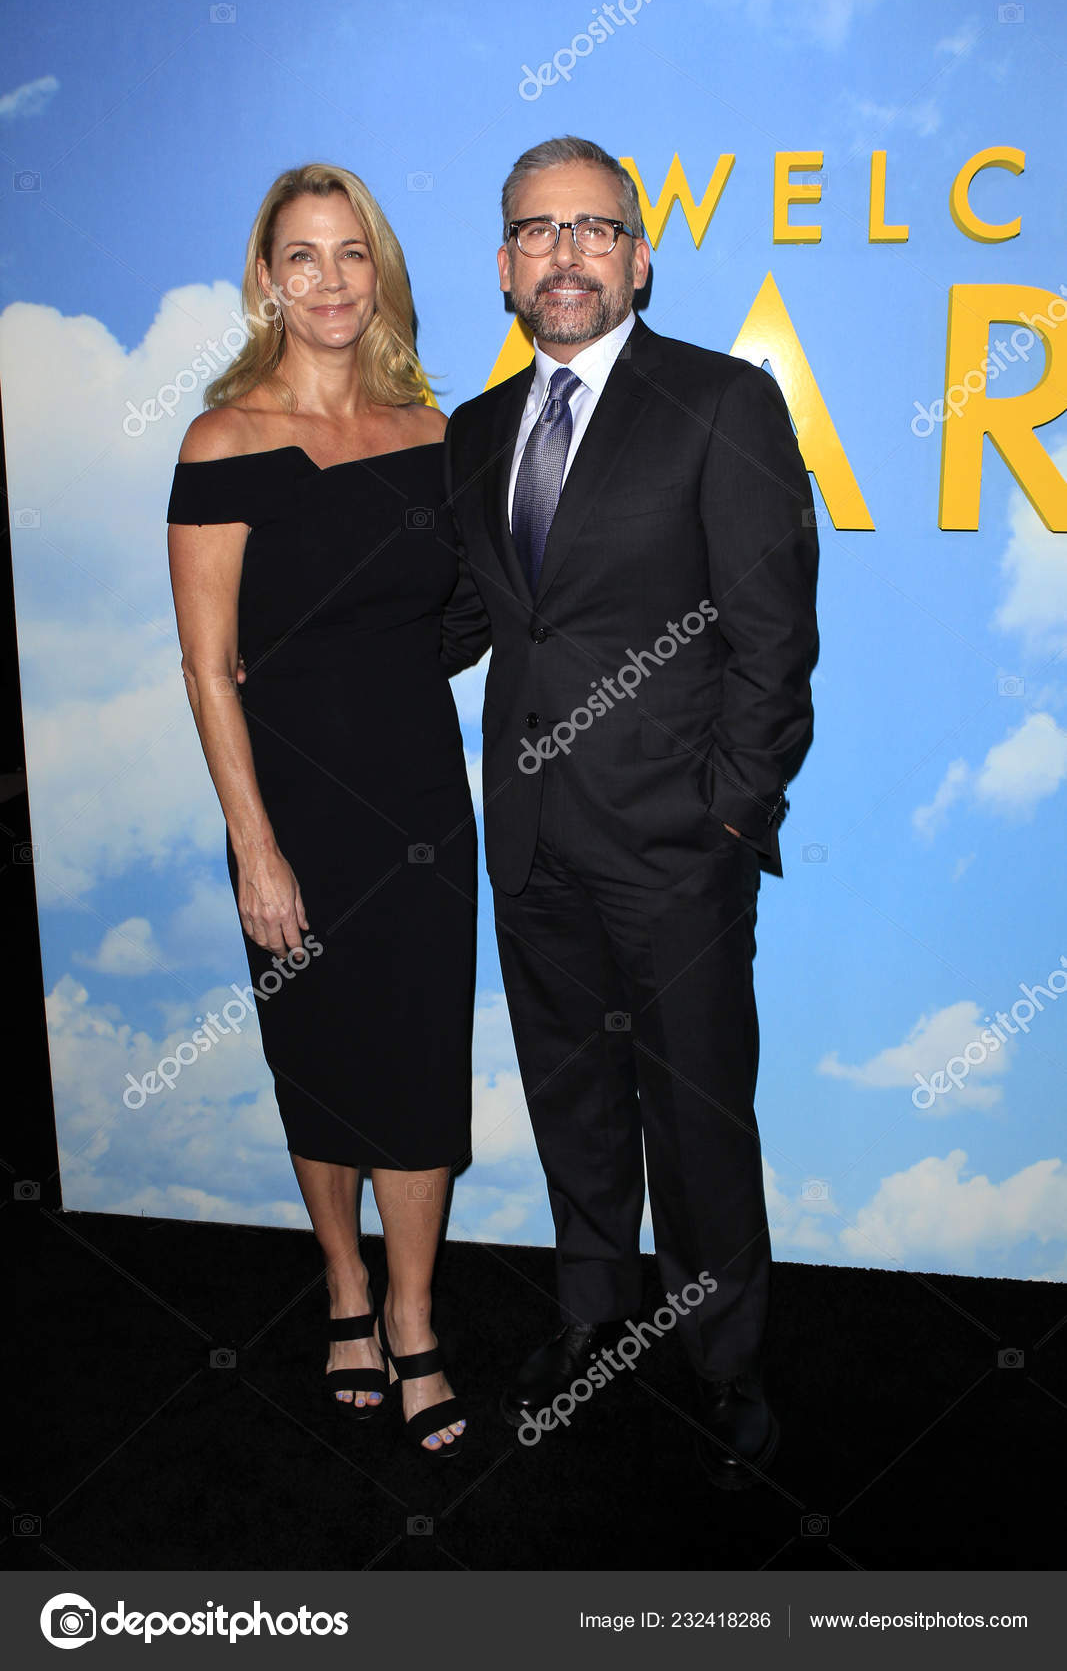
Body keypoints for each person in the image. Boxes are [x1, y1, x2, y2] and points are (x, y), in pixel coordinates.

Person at [440, 135, 819, 1488]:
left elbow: (775, 642)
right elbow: (477, 620)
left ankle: (727, 1363)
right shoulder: (475, 432)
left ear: (640, 258)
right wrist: (309, 647)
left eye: (594, 229)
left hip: (677, 852)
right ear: (504, 265)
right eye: (538, 231)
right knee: (574, 1103)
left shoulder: (723, 402)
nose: (566, 254)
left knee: (699, 1123)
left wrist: (728, 820)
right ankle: (592, 1322)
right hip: (532, 839)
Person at [167, 163, 477, 1455]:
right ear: (266, 280)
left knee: (420, 1061)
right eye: (303, 256)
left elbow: (464, 613)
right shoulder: (222, 442)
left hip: (421, 799)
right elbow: (206, 666)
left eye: (353, 253)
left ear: (380, 272)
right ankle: (345, 1288)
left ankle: (412, 1313)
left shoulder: (434, 435)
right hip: (292, 810)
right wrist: (256, 847)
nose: (332, 280)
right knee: (320, 1056)